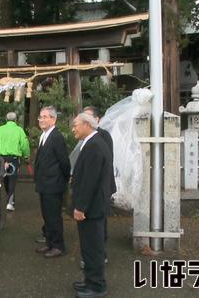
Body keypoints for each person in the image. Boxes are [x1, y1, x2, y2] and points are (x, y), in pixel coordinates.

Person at [70, 113, 114, 297]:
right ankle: (89, 280)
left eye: (76, 125)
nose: (73, 129)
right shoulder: (92, 142)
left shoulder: (95, 145)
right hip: (92, 206)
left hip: (92, 208)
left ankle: (97, 286)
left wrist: (81, 207)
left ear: (87, 124)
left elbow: (90, 180)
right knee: (88, 247)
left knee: (93, 248)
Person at [34, 106, 70, 259]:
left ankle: (58, 246)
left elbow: (64, 162)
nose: (41, 119)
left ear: (53, 119)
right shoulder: (44, 135)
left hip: (54, 184)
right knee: (47, 216)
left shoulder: (56, 137)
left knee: (54, 216)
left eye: (45, 117)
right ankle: (50, 242)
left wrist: (62, 179)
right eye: (40, 117)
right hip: (44, 184)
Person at [0, 112, 30, 211]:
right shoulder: (19, 130)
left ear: (6, 119)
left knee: (5, 179)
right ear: (15, 120)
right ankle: (10, 202)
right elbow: (24, 145)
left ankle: (8, 199)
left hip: (1, 158)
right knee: (12, 180)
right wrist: (26, 156)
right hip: (13, 159)